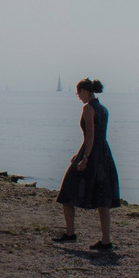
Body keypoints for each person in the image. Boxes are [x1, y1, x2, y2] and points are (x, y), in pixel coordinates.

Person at [53, 78, 120, 247]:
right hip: (103, 153)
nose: (78, 97)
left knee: (67, 192)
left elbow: (90, 135)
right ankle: (106, 241)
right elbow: (97, 136)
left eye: (78, 93)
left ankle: (70, 233)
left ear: (84, 91)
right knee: (102, 198)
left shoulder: (88, 108)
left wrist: (85, 158)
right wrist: (80, 153)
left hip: (93, 154)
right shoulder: (103, 109)